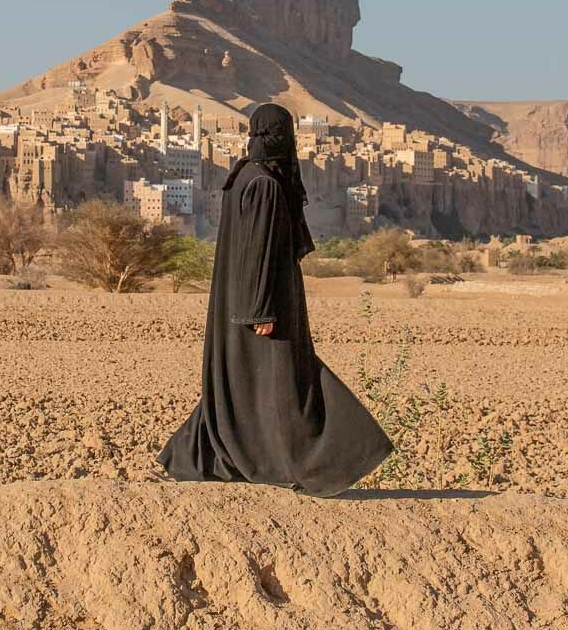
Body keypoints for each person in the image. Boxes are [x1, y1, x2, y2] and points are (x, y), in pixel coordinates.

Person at [158, 103, 393, 497]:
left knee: (240, 382)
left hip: (239, 301)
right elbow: (259, 250)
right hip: (264, 304)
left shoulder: (243, 174)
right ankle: (325, 458)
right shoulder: (265, 184)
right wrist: (260, 311)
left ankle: (207, 457)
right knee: (288, 383)